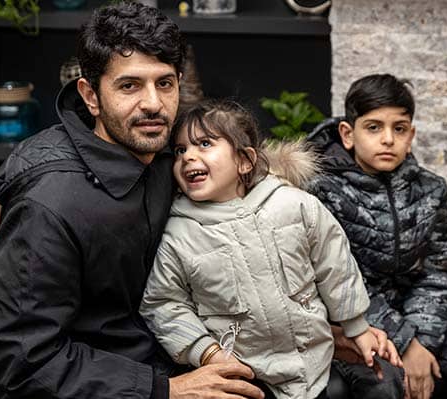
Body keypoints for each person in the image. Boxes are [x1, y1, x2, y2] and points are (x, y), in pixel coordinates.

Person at [0, 3, 267, 398]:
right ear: (91, 96)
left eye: (165, 83)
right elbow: (27, 365)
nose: (153, 104)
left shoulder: (169, 155)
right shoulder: (48, 206)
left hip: (171, 348)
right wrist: (166, 391)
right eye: (129, 86)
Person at [139, 98, 405, 399]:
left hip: (314, 358)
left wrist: (357, 328)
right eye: (180, 150)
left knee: (384, 380)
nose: (188, 157)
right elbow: (163, 303)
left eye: (204, 144)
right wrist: (208, 352)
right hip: (244, 369)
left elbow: (336, 267)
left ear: (244, 161)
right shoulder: (178, 233)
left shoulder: (294, 205)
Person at [307, 74, 447, 399]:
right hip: (353, 321)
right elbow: (340, 282)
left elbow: (436, 272)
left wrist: (422, 340)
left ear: (410, 136)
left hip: (415, 310)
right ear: (347, 134)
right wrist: (405, 343)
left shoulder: (431, 189)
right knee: (386, 381)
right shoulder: (322, 192)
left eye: (399, 129)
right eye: (373, 127)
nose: (387, 139)